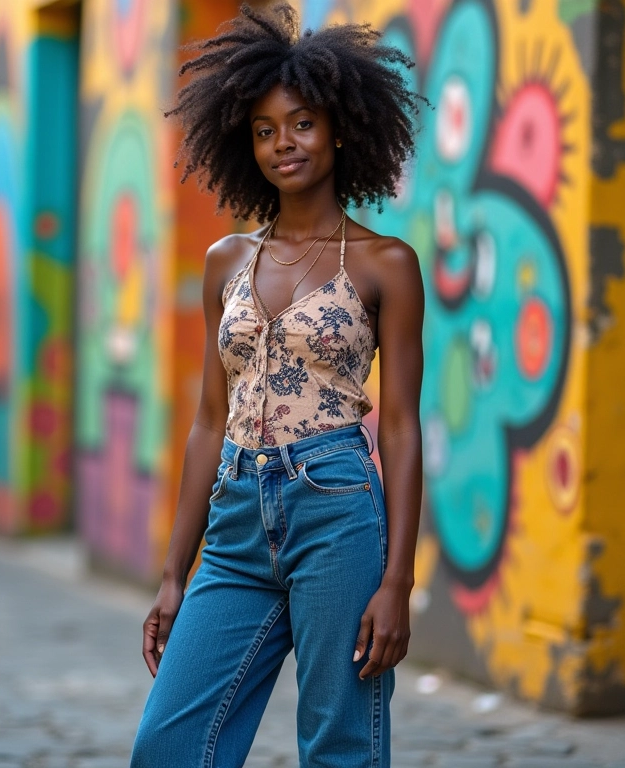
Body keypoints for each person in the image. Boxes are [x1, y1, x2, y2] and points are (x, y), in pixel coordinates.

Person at [130, 4, 424, 767]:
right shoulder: (225, 261)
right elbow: (208, 419)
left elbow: (400, 427)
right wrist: (173, 573)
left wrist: (398, 581)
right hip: (234, 519)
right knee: (168, 745)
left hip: (336, 511)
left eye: (301, 124)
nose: (282, 143)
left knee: (338, 746)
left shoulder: (386, 265)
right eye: (264, 130)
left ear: (339, 131)